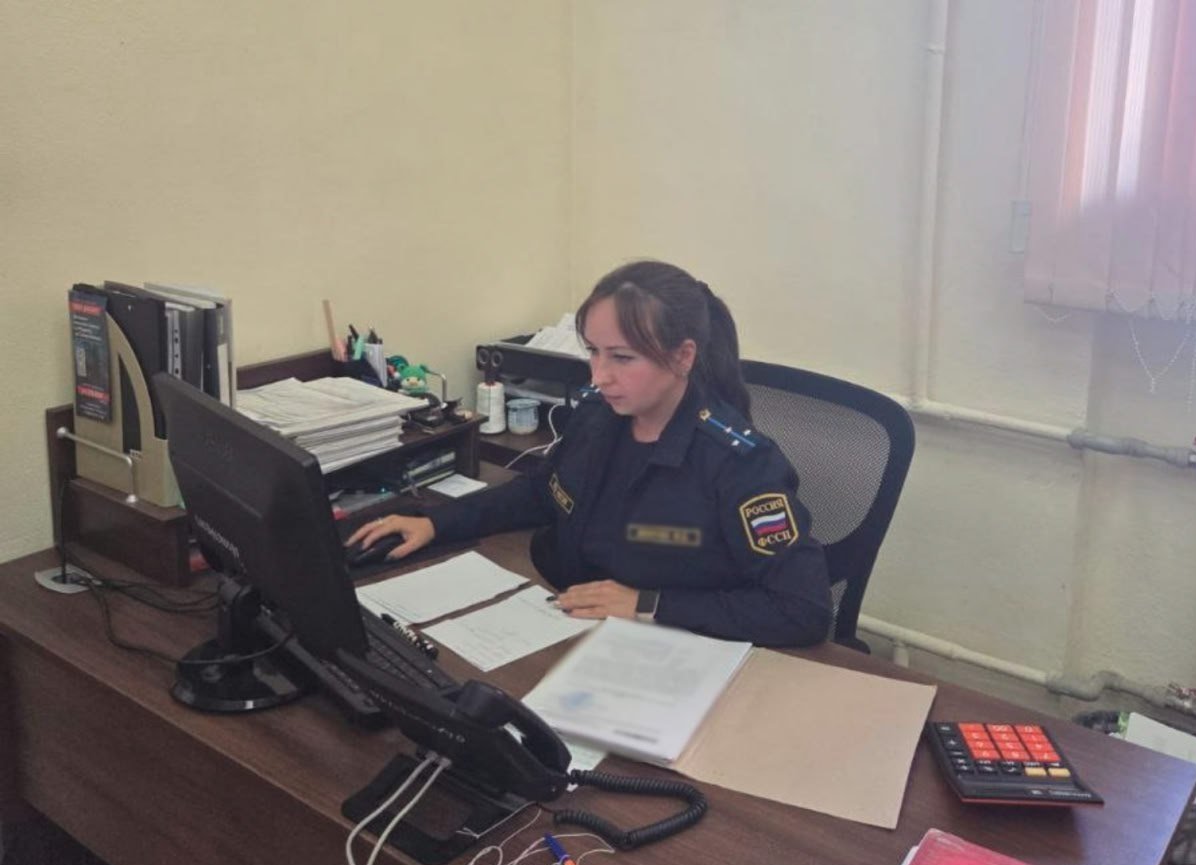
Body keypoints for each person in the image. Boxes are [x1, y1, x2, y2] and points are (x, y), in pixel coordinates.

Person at [347, 260, 832, 646]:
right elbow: (543, 493)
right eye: (593, 351)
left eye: (622, 358)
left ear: (683, 356)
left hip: (669, 649)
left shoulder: (739, 463)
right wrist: (437, 523)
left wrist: (648, 605)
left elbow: (802, 609)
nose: (599, 376)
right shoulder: (601, 415)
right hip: (568, 623)